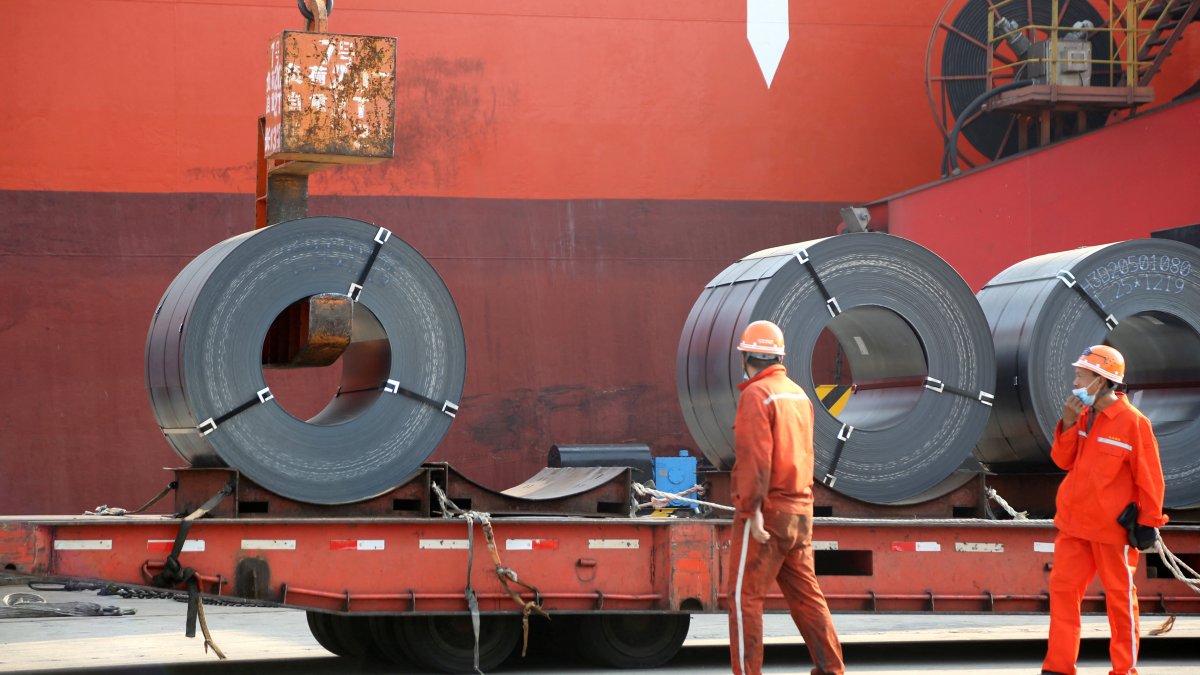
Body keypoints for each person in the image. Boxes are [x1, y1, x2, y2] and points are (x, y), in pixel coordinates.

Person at [1042, 345, 1169, 675]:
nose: (1075, 381)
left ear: (1101, 381)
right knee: (1063, 594)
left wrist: (1149, 522)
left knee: (1120, 601)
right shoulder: (1082, 416)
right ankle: (1058, 668)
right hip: (1073, 527)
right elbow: (1062, 460)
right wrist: (1068, 424)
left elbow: (1150, 479)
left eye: (1081, 375)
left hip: (1110, 532)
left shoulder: (1134, 424)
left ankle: (1123, 670)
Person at [726, 320, 844, 675]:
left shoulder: (756, 395)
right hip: (800, 511)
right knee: (806, 596)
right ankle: (832, 670)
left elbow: (755, 459)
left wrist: (752, 509)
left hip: (768, 511)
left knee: (744, 597)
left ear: (746, 356)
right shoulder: (797, 395)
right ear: (778, 355)